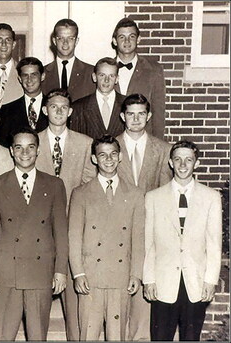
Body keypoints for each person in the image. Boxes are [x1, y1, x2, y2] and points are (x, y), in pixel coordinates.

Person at [0, 128, 68, 340]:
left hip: (40, 271)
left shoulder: (55, 184)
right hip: (5, 273)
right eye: (19, 147)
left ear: (38, 150)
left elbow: (60, 232)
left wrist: (60, 271)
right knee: (3, 335)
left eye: (30, 147)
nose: (25, 152)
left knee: (38, 335)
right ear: (11, 151)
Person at [143, 141, 222, 341]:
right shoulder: (153, 197)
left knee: (190, 337)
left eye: (188, 160)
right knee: (160, 337)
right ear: (170, 162)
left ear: (196, 163)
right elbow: (148, 243)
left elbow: (214, 244)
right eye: (177, 159)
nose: (183, 165)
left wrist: (210, 280)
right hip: (163, 282)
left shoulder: (211, 197)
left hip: (195, 282)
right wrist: (149, 279)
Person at [68, 134, 145, 341]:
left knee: (117, 336)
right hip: (90, 277)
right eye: (102, 155)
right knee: (88, 335)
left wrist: (136, 274)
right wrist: (78, 274)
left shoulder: (136, 194)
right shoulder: (80, 193)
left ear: (120, 157)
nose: (108, 159)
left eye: (113, 154)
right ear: (94, 158)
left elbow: (138, 239)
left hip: (121, 276)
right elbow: (74, 237)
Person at [35, 88, 96, 341]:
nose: (58, 111)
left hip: (72, 232)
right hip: (40, 233)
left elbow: (87, 187)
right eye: (53, 106)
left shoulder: (84, 143)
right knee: (37, 309)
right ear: (44, 110)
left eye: (63, 107)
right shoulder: (32, 142)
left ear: (70, 112)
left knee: (74, 308)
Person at [115, 94, 172, 341]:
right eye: (130, 114)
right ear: (122, 116)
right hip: (116, 228)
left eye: (141, 114)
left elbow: (165, 193)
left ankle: (139, 337)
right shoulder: (110, 147)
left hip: (148, 229)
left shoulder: (163, 149)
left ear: (148, 117)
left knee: (143, 283)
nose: (136, 119)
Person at [112, 17, 166, 140]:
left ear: (138, 39)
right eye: (121, 37)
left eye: (131, 36)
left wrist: (157, 144)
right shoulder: (104, 70)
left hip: (143, 138)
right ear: (114, 41)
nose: (127, 41)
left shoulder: (154, 70)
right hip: (113, 140)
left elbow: (158, 112)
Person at [0, 57, 48, 148]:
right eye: (25, 75)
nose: (29, 80)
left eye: (34, 75)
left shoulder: (53, 106)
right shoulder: (7, 110)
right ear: (20, 79)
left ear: (43, 76)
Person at [69, 57, 125, 139]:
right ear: (94, 77)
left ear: (117, 79)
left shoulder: (127, 104)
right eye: (102, 75)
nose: (106, 80)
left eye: (111, 76)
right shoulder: (79, 107)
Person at [41, 19, 95, 103]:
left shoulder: (91, 72)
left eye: (70, 38)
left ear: (76, 41)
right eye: (60, 38)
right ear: (54, 41)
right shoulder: (42, 73)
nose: (65, 43)